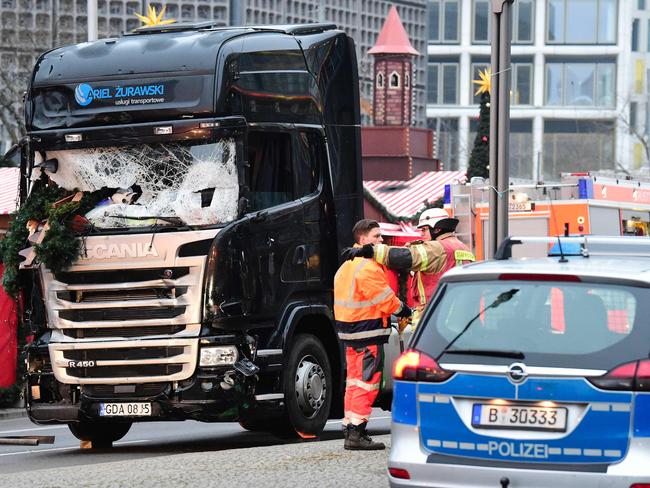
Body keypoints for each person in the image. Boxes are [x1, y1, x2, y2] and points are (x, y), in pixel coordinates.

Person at [334, 219, 412, 450]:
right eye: (377, 236)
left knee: (354, 382)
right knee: (368, 382)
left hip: (350, 333)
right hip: (368, 331)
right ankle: (357, 432)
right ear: (363, 239)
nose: (381, 240)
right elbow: (384, 300)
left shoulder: (345, 266)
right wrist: (404, 310)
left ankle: (350, 425)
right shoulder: (367, 267)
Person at [342, 208, 475, 322]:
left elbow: (406, 257)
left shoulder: (438, 248)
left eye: (424, 229)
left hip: (437, 316)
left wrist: (370, 250)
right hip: (460, 315)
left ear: (437, 229)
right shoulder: (462, 248)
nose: (421, 233)